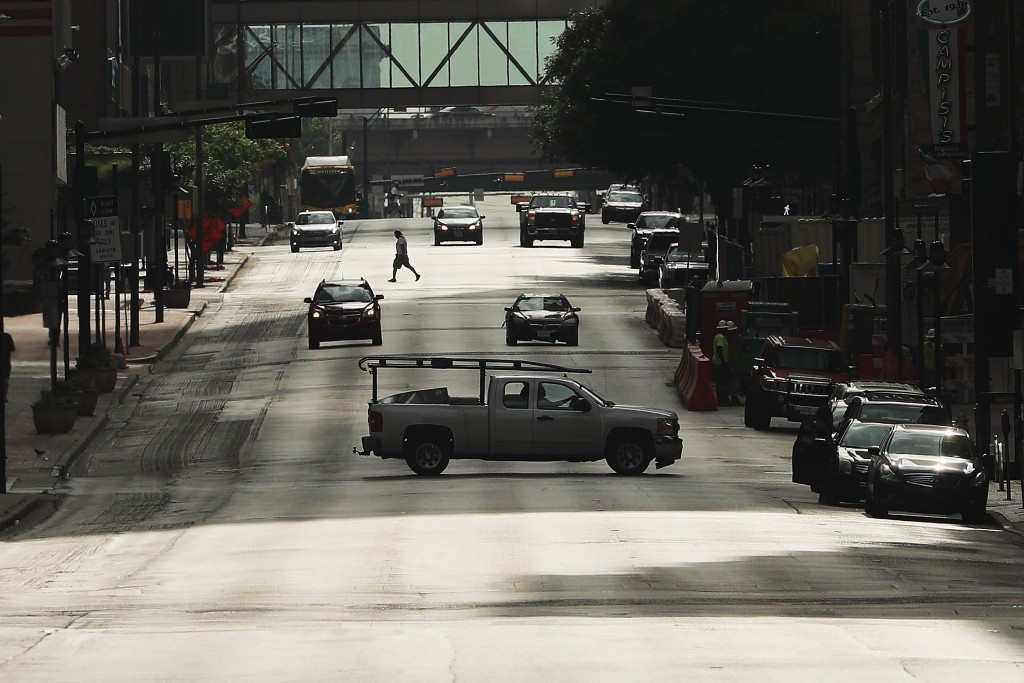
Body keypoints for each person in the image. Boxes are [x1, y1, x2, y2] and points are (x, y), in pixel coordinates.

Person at [712, 320, 730, 405]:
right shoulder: (721, 337)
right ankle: (721, 400)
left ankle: (721, 399)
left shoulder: (717, 336)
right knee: (721, 382)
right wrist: (723, 361)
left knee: (719, 381)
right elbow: (719, 349)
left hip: (717, 361)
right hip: (720, 363)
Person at [725, 320, 742, 406]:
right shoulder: (727, 340)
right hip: (730, 362)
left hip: (729, 362)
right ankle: (733, 398)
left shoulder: (728, 339)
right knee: (733, 380)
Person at [2, 331, 14, 402]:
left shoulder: (7, 336)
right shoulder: (7, 336)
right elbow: (12, 348)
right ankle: (4, 396)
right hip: (5, 360)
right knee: (5, 379)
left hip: (5, 360)